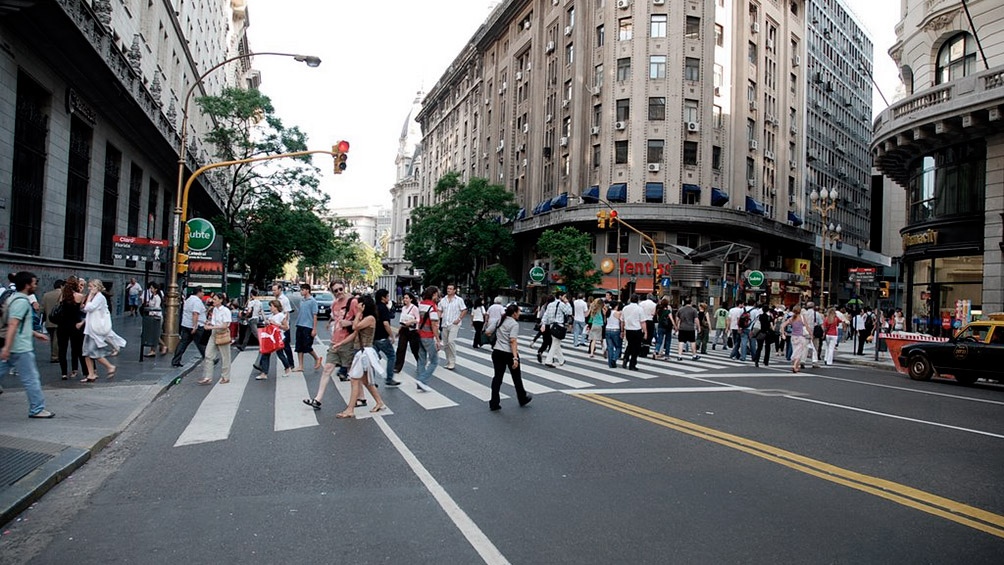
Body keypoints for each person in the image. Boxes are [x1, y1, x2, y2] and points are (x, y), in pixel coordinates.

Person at [1, 272, 54, 418]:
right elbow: (13, 324)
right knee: (31, 379)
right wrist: (7, 347)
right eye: (34, 283)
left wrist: (35, 334)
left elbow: (17, 324)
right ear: (27, 285)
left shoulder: (13, 299)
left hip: (14, 346)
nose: (35, 286)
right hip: (20, 348)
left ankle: (37, 408)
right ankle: (37, 409)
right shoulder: (21, 302)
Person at [328, 295, 386, 418]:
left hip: (365, 352)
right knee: (365, 381)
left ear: (364, 305)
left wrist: (358, 313)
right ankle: (379, 402)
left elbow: (355, 327)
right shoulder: (363, 317)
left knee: (354, 379)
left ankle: (350, 409)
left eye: (359, 303)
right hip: (360, 352)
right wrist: (340, 343)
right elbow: (354, 334)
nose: (357, 305)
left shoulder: (370, 318)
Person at [79, 279, 126, 382]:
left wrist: (89, 297)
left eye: (91, 286)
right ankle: (91, 374)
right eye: (89, 287)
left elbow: (88, 308)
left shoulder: (99, 297)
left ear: (97, 287)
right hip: (90, 328)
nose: (89, 289)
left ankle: (110, 366)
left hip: (95, 329)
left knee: (92, 351)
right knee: (86, 352)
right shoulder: (96, 297)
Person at [489, 303, 532, 411]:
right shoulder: (514, 324)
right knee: (516, 377)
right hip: (508, 353)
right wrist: (515, 357)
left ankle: (494, 402)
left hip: (497, 351)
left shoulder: (500, 320)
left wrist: (499, 338)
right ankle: (522, 397)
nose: (520, 313)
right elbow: (513, 341)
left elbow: (488, 332)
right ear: (514, 313)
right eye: (518, 312)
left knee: (497, 377)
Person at [252, 299, 292, 380]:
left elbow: (286, 327)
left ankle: (286, 369)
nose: (270, 308)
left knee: (277, 354)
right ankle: (265, 372)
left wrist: (276, 324)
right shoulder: (271, 316)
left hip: (278, 337)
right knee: (267, 353)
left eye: (271, 306)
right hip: (271, 338)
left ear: (276, 307)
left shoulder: (281, 315)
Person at [55, 276, 85, 380]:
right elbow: (81, 308)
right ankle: (77, 369)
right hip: (75, 325)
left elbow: (59, 306)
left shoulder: (63, 295)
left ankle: (64, 373)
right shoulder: (80, 296)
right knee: (76, 349)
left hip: (62, 325)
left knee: (62, 350)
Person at [198, 292, 232, 385]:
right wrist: (209, 324)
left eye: (215, 299)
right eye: (213, 299)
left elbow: (225, 325)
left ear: (221, 300)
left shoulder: (226, 311)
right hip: (214, 333)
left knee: (225, 356)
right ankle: (208, 377)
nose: (213, 301)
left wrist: (211, 327)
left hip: (223, 333)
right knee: (208, 354)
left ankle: (225, 377)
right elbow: (214, 322)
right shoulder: (215, 310)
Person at [414, 286, 441, 392]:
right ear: (433, 294)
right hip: (428, 336)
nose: (438, 297)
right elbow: (434, 325)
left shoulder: (421, 304)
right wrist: (438, 340)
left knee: (421, 360)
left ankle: (420, 385)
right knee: (434, 361)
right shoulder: (432, 307)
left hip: (419, 335)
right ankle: (422, 380)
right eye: (437, 294)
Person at [171, 286, 206, 367]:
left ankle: (175, 360)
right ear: (199, 292)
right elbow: (195, 314)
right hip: (195, 326)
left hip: (186, 324)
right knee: (202, 343)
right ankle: (209, 359)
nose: (203, 294)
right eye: (203, 292)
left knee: (183, 343)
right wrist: (194, 326)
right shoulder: (197, 301)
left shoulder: (188, 299)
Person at [372, 288, 400, 387]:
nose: (388, 298)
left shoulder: (374, 307)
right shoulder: (383, 308)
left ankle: (371, 380)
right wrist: (391, 336)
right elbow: (386, 324)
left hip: (374, 337)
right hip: (382, 338)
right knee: (392, 356)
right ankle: (389, 378)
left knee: (372, 359)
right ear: (383, 298)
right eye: (387, 296)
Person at [292, 283, 321, 372]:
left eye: (302, 290)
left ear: (307, 290)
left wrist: (314, 328)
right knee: (299, 346)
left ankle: (317, 358)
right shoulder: (302, 301)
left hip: (308, 326)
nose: (301, 292)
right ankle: (301, 366)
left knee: (307, 346)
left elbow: (315, 315)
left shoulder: (312, 301)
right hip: (300, 324)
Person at [438, 284, 467, 370]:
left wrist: (459, 319)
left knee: (451, 341)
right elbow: (439, 310)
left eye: (451, 289)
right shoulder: (443, 300)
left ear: (454, 290)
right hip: (444, 324)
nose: (449, 290)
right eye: (448, 288)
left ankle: (453, 361)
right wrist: (438, 319)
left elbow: (464, 310)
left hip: (454, 324)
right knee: (446, 344)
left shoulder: (459, 300)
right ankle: (448, 361)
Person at [541, 293, 572, 367]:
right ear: (560, 297)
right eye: (564, 296)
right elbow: (569, 312)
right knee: (555, 344)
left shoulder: (550, 305)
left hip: (552, 325)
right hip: (559, 325)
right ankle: (548, 360)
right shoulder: (561, 304)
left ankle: (561, 360)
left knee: (556, 343)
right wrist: (567, 302)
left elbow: (546, 315)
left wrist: (543, 324)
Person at [394, 292, 421, 373]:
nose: (405, 300)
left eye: (406, 298)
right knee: (401, 349)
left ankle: (420, 364)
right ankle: (397, 367)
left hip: (412, 331)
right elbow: (402, 320)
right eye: (404, 298)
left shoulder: (414, 308)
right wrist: (399, 331)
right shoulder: (403, 308)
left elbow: (418, 319)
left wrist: (412, 321)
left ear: (411, 299)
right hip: (404, 329)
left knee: (415, 349)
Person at [621, 294, 646, 371]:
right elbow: (643, 322)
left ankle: (626, 357)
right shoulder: (639, 309)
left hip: (628, 330)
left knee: (630, 345)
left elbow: (622, 320)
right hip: (637, 329)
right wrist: (645, 332)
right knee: (636, 348)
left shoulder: (625, 308)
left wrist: (622, 330)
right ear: (637, 300)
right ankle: (632, 364)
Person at [781, 304, 809, 373]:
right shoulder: (802, 318)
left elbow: (783, 325)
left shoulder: (791, 318)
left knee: (795, 350)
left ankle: (795, 365)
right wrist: (810, 334)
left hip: (793, 336)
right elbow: (807, 327)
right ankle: (795, 365)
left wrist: (783, 334)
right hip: (800, 336)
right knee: (799, 352)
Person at [272, 283, 294, 369]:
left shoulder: (284, 299)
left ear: (280, 290)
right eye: (273, 290)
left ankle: (290, 363)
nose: (273, 292)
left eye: (275, 290)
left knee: (286, 345)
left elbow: (287, 313)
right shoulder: (275, 298)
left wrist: (284, 325)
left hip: (284, 326)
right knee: (280, 345)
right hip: (277, 325)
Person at [40, 279, 63, 363]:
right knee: (57, 340)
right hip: (59, 321)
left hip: (49, 321)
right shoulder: (63, 294)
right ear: (61, 286)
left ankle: (54, 354)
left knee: (53, 339)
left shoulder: (46, 295)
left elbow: (42, 309)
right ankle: (55, 356)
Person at [142, 282, 164, 357]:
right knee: (153, 334)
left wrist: (151, 312)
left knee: (155, 334)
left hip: (156, 317)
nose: (150, 289)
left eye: (152, 288)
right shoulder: (152, 297)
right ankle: (153, 350)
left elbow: (156, 308)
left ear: (156, 289)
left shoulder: (157, 298)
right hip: (152, 316)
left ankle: (162, 346)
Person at [675, 297, 700, 361]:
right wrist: (698, 327)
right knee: (692, 342)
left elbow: (677, 319)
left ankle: (679, 356)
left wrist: (676, 326)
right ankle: (694, 355)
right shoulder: (694, 310)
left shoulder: (680, 310)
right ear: (691, 302)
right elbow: (696, 319)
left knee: (681, 342)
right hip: (691, 328)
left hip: (682, 327)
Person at [534, 295, 554, 361]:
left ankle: (540, 351)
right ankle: (550, 356)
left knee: (545, 341)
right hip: (551, 325)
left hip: (544, 325)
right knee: (551, 342)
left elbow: (541, 316)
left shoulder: (544, 306)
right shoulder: (553, 307)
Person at [604, 302, 624, 368]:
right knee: (618, 347)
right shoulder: (618, 313)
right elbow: (621, 322)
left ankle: (610, 363)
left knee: (610, 347)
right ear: (616, 306)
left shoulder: (608, 312)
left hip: (607, 329)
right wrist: (622, 331)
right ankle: (614, 359)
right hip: (616, 330)